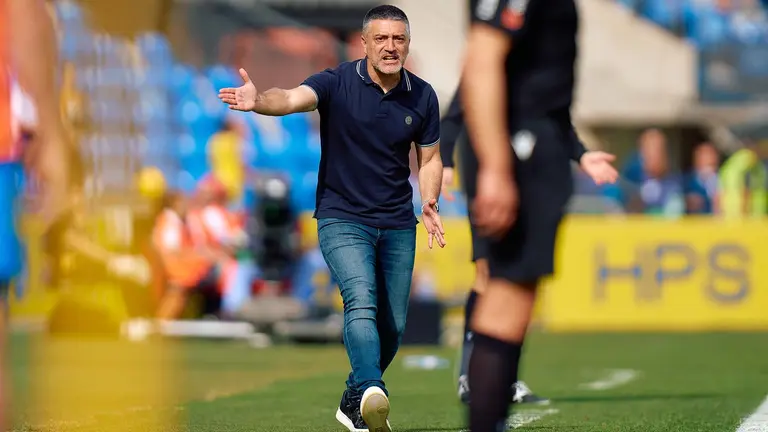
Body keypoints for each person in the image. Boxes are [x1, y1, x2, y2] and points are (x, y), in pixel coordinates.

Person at [218, 5, 445, 432]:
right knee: (360, 298)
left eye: (398, 39)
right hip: (343, 218)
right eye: (381, 38)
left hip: (398, 221)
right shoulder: (336, 81)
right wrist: (258, 101)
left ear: (408, 44)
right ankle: (374, 390)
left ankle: (353, 398)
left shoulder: (424, 95)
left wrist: (429, 200)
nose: (390, 47)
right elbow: (289, 98)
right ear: (364, 43)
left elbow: (430, 158)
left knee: (392, 328)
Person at [460, 1, 619, 431]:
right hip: (518, 149)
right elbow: (481, 58)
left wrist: (578, 152)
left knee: (511, 303)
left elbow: (543, 87)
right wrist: (495, 166)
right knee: (506, 301)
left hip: (532, 144)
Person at [440, 88, 549, 406]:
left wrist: (578, 154)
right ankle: (468, 375)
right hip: (486, 184)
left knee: (516, 281)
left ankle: (506, 377)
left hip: (525, 184)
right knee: (487, 274)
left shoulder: (538, 70)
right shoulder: (486, 58)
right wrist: (446, 163)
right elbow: (452, 120)